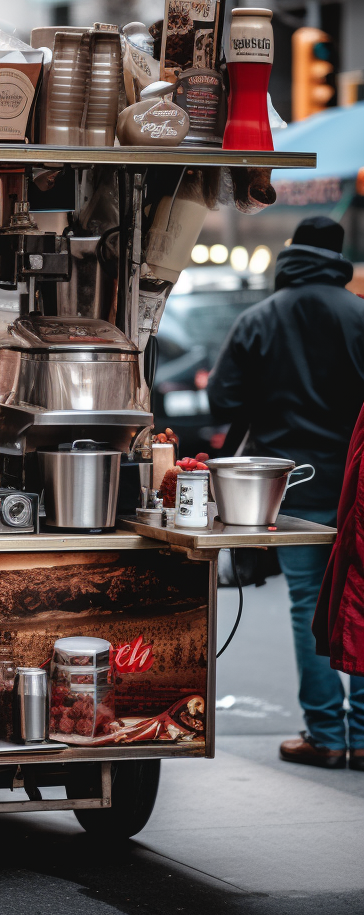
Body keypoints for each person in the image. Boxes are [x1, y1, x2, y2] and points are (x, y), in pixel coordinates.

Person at [208, 216, 364, 769]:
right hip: (359, 483)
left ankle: (324, 735)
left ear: (291, 253)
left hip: (290, 485)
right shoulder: (360, 315)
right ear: (339, 257)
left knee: (307, 605)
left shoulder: (260, 318)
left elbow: (221, 401)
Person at [313, 399, 364, 771]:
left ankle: (326, 735)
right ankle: (362, 736)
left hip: (300, 474)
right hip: (337, 466)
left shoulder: (263, 335)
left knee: (304, 598)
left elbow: (226, 394)